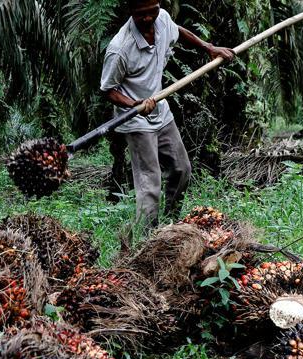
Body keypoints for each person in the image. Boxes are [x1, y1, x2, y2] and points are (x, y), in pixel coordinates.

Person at [100, 0, 234, 232]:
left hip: (161, 112)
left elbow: (178, 31)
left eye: (152, 11)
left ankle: (171, 226)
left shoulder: (161, 19)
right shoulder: (120, 48)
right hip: (136, 120)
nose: (148, 18)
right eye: (141, 14)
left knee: (182, 169)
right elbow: (108, 90)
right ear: (131, 12)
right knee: (150, 184)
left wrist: (208, 48)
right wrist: (135, 104)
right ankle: (149, 240)